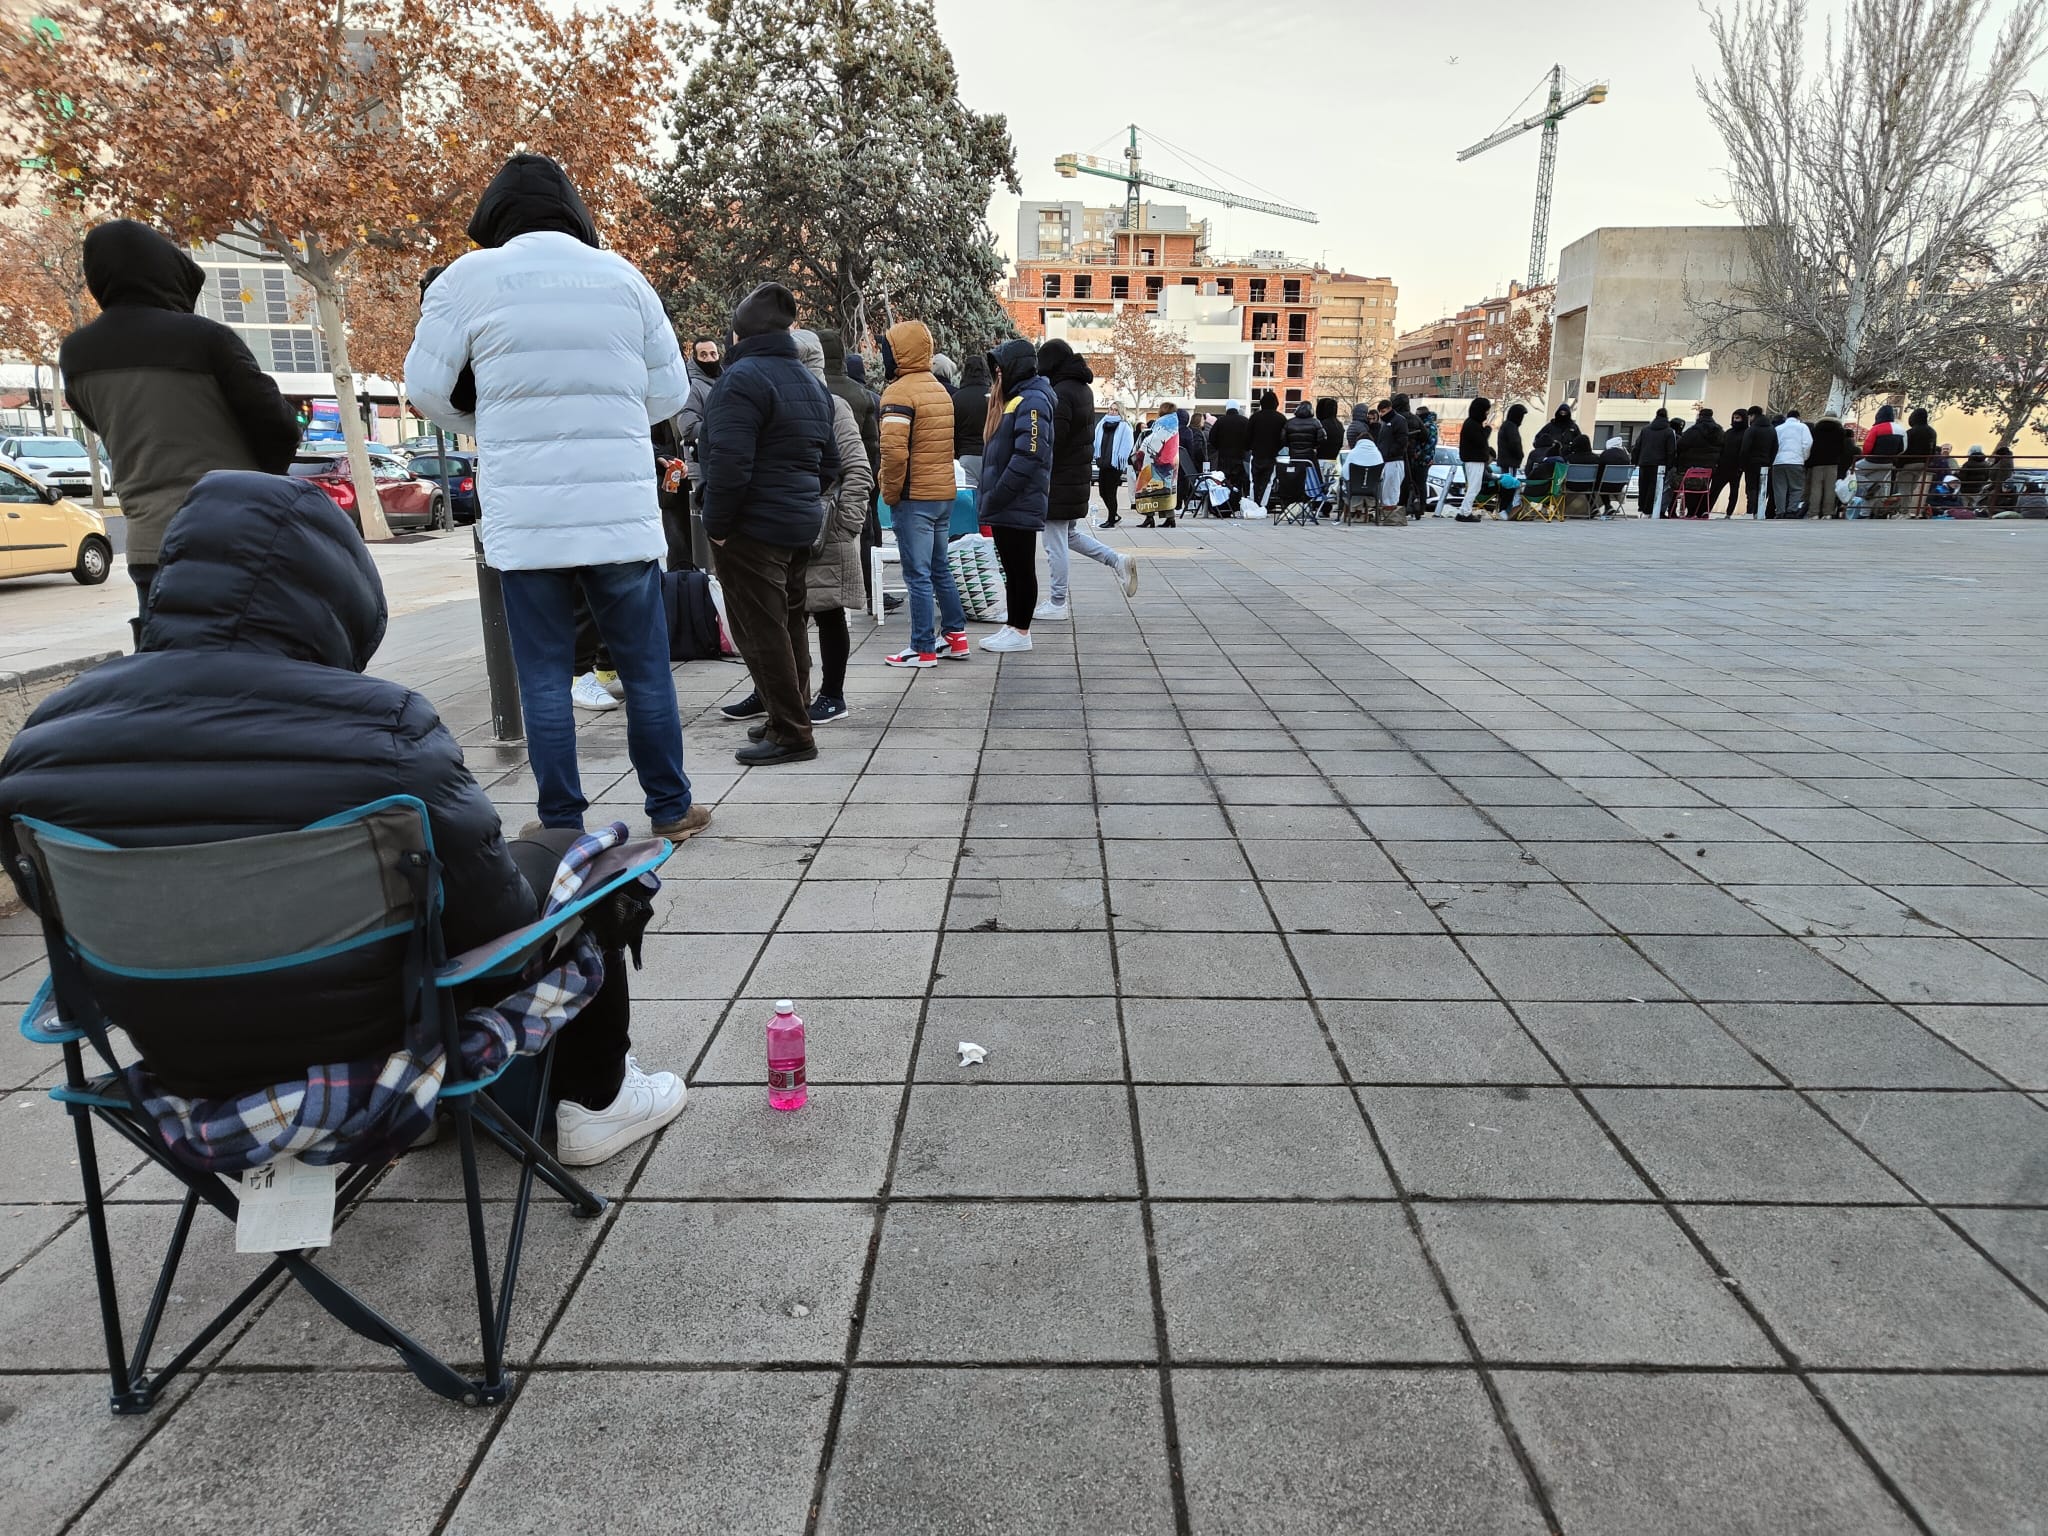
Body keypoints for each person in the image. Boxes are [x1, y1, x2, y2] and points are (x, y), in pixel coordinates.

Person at [0, 472, 686, 1165]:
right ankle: (597, 1101)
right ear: (337, 595)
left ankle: (414, 1117)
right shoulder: (385, 728)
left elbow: (57, 919)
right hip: (378, 1041)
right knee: (575, 854)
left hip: (179, 1052)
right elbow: (496, 924)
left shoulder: (43, 743)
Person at [406, 154, 705, 840]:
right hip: (618, 516)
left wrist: (488, 421)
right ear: (575, 212)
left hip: (528, 518)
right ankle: (670, 808)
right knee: (646, 672)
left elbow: (426, 390)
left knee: (542, 677)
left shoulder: (466, 279)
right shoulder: (624, 278)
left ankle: (561, 822)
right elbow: (668, 392)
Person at [59, 219, 300, 633]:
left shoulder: (76, 356)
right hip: (236, 534)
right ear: (166, 271)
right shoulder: (206, 339)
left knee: (169, 655)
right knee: (260, 652)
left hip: (149, 544)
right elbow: (279, 427)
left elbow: (99, 424)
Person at [699, 282, 839, 765]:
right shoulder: (809, 382)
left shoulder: (740, 380)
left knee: (762, 632)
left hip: (751, 527)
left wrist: (717, 525)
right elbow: (829, 464)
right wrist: (799, 497)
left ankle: (792, 733)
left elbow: (728, 464)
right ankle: (790, 715)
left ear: (739, 333)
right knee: (789, 624)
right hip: (797, 523)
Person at [874, 318, 969, 670]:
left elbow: (894, 452)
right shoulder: (939, 390)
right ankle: (955, 637)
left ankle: (922, 647)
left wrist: (890, 491)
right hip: (942, 494)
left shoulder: (899, 393)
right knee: (939, 567)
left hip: (914, 497)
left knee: (917, 574)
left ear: (899, 353)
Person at [790, 329, 872, 724]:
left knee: (828, 611)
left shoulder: (833, 406)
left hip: (827, 526)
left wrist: (846, 523)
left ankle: (832, 695)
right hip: (789, 525)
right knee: (784, 616)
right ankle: (778, 691)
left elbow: (858, 468)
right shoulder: (781, 403)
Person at [1037, 339, 1137, 619]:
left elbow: (1055, 439)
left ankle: (1057, 602)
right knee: (1068, 535)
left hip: (1060, 478)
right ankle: (1117, 560)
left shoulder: (1061, 392)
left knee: (1054, 541)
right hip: (1075, 475)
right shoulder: (1081, 388)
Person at [976, 338, 1054, 653]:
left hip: (1016, 501)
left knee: (1021, 569)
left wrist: (999, 493)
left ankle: (1021, 631)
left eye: (1000, 368)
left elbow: (1029, 454)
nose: (997, 374)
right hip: (1008, 502)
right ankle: (1013, 626)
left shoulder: (1032, 400)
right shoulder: (1019, 398)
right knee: (1012, 569)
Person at [817, 329, 884, 608]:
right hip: (857, 474)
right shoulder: (861, 394)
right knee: (866, 535)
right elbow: (872, 443)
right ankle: (871, 593)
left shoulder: (812, 391)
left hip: (820, 484)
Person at [668, 336, 725, 563]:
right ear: (695, 357)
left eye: (713, 354)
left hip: (721, 461)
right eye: (703, 354)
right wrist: (723, 426)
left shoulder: (724, 379)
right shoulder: (692, 385)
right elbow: (688, 427)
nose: (709, 359)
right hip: (699, 465)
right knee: (703, 529)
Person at [1135, 404, 1181, 528]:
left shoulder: (1163, 424)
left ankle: (1149, 517)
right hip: (1171, 461)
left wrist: (1141, 451)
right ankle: (1170, 518)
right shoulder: (1174, 425)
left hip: (1158, 461)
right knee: (1167, 490)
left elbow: (1153, 442)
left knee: (1149, 489)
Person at [1674, 408, 1725, 516]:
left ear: (1700, 416)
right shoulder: (1718, 431)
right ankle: (1702, 511)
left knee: (1691, 488)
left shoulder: (1693, 430)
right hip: (1710, 467)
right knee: (1704, 488)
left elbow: (1681, 444)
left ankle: (1691, 511)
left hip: (1691, 466)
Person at [954, 352, 991, 488]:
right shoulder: (993, 397)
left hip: (965, 456)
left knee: (969, 497)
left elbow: (953, 432)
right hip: (989, 455)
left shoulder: (957, 398)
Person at [1207, 399, 1251, 513]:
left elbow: (1212, 438)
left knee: (1224, 481)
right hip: (1240, 457)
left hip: (1224, 457)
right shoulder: (1245, 421)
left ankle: (1224, 506)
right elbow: (1250, 439)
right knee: (1238, 483)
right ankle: (1236, 505)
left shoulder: (1220, 421)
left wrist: (1219, 447)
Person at [1094, 405, 1134, 525]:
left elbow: (1128, 445)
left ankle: (1111, 519)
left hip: (1115, 464)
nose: (1112, 412)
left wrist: (1120, 458)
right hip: (1103, 462)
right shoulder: (1102, 424)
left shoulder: (1124, 426)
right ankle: (1114, 515)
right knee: (1102, 492)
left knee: (1111, 493)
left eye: (1116, 410)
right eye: (1111, 409)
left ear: (1120, 412)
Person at [1632, 408, 1677, 516]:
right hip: (1660, 464)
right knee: (1655, 487)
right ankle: (1649, 509)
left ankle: (1642, 507)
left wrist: (1635, 461)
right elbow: (1671, 451)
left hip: (1644, 462)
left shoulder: (1645, 430)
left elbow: (1637, 447)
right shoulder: (1669, 431)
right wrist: (1669, 465)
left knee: (1643, 485)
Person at [1376, 394, 1416, 515]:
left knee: (1392, 488)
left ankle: (1390, 514)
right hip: (1385, 459)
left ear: (1389, 408)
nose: (1381, 414)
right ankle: (1386, 513)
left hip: (1394, 460)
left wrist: (1391, 452)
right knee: (1386, 488)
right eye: (1380, 412)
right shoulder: (1385, 423)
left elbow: (1402, 440)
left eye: (1383, 411)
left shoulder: (1399, 421)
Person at [1452, 398, 1491, 518]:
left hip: (1472, 459)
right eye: (1486, 411)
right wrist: (1487, 430)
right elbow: (1480, 441)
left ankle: (1463, 510)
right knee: (1474, 487)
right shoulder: (1473, 425)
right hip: (1475, 460)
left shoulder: (1471, 423)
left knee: (1474, 486)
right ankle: (1466, 512)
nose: (1487, 414)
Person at [1247, 390, 1287, 504]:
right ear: (1276, 404)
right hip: (1272, 455)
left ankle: (1254, 503)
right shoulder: (1281, 418)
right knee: (1268, 482)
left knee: (1254, 482)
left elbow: (1247, 436)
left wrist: (1251, 447)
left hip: (1256, 455)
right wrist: (1277, 448)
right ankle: (1263, 505)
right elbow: (1284, 439)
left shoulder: (1254, 417)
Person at [1771, 407, 1812, 517]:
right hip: (1796, 461)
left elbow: (1773, 444)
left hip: (1778, 462)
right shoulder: (1802, 427)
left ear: (1787, 417)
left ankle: (1780, 511)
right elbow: (1808, 443)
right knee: (1797, 488)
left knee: (1779, 488)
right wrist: (1804, 457)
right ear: (1798, 417)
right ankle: (1791, 510)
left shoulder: (1778, 428)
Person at [1707, 408, 1748, 516]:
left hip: (1736, 467)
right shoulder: (1729, 432)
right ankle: (1706, 511)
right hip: (1722, 466)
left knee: (1733, 492)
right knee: (1714, 490)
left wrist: (1741, 466)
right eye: (1734, 418)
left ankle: (1729, 513)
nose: (1735, 420)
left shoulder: (1746, 433)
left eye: (1738, 418)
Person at [1805, 413, 1846, 520]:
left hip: (1817, 463)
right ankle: (1828, 513)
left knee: (1816, 489)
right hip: (1832, 463)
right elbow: (1842, 448)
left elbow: (1811, 445)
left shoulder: (1815, 430)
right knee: (1830, 489)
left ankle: (1814, 513)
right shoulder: (1840, 431)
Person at [1901, 407, 1939, 516]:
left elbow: (1904, 449)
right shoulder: (1932, 432)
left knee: (1905, 488)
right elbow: (1933, 449)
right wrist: (1929, 461)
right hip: (1923, 463)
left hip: (1908, 463)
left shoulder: (1910, 432)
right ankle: (1911, 510)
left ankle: (1904, 512)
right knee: (1913, 487)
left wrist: (1899, 463)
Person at [1496, 402, 1528, 511]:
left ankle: (1504, 508)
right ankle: (1505, 509)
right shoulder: (1511, 427)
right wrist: (1520, 455)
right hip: (1510, 461)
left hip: (1506, 461)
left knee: (1507, 484)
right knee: (1509, 485)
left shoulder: (1507, 425)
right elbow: (1514, 444)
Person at [1596, 435, 1632, 514]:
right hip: (1620, 486)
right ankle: (1608, 507)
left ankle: (1606, 506)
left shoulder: (1605, 454)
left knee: (1598, 485)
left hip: (1605, 486)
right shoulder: (1625, 456)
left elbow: (1599, 471)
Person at [1958, 444, 1993, 511]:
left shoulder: (1967, 464)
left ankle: (1964, 513)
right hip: (1978, 490)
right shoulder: (1986, 464)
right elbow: (1987, 477)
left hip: (1965, 490)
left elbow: (1962, 477)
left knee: (1964, 506)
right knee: (1975, 505)